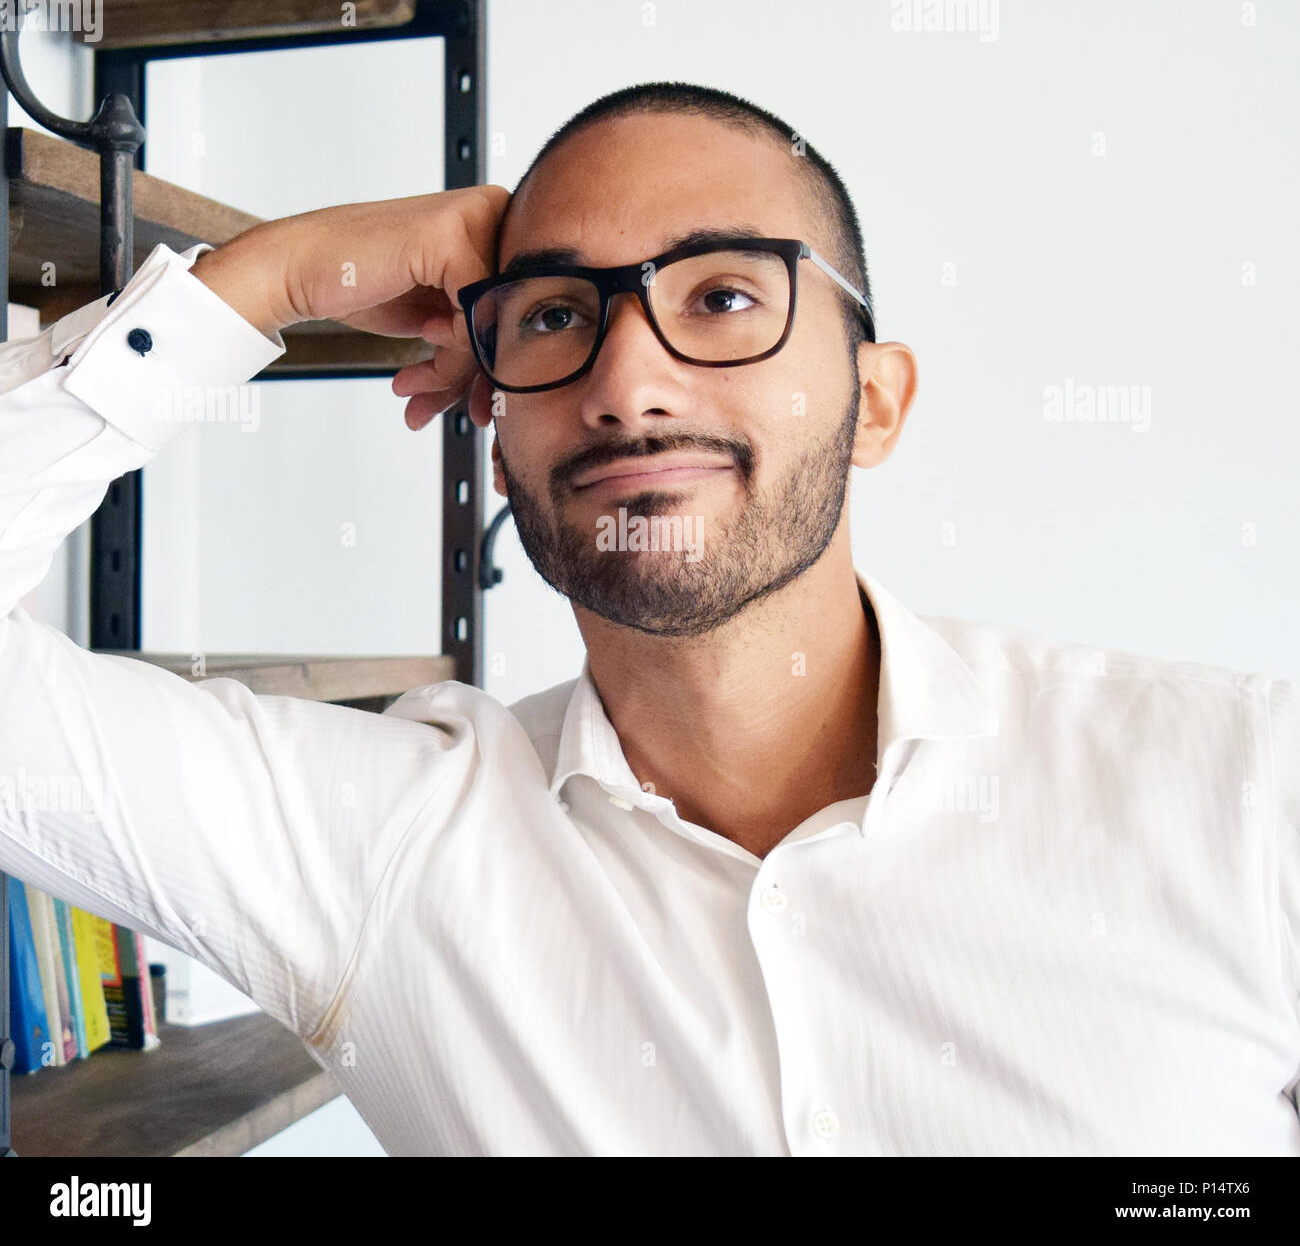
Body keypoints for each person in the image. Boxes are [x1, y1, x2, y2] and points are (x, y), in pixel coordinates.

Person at [0, 81, 1296, 1156]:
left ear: (879, 401)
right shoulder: (381, 849)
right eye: (558, 315)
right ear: (494, 432)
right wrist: (270, 278)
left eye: (724, 297)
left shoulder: (1249, 792)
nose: (628, 382)